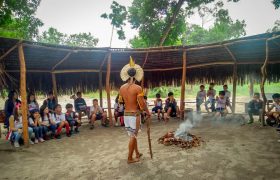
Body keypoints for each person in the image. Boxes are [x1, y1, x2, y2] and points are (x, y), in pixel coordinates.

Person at [119, 56, 150, 164]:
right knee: (133, 136)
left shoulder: (121, 88)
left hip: (126, 114)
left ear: (127, 75)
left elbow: (120, 101)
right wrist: (148, 112)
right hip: (134, 115)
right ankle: (129, 158)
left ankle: (137, 153)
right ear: (136, 75)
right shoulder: (137, 88)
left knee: (133, 135)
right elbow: (142, 103)